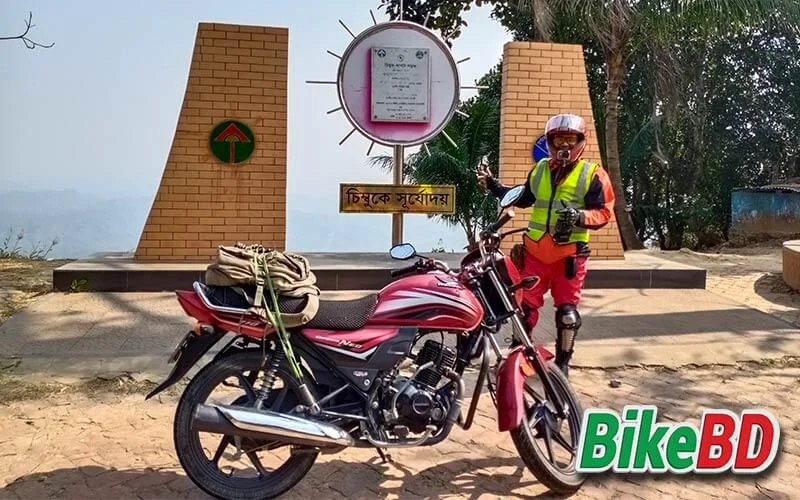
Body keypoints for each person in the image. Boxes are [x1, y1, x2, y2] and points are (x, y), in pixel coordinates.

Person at [477, 113, 615, 377]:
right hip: (535, 254)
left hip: (569, 257)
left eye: (569, 140)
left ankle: (563, 364)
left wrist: (578, 217)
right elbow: (522, 197)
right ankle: (518, 357)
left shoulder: (593, 174)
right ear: (550, 142)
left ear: (580, 141)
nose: (564, 146)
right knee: (524, 309)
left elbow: (604, 213)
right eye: (558, 140)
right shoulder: (540, 169)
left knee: (567, 314)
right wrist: (494, 187)